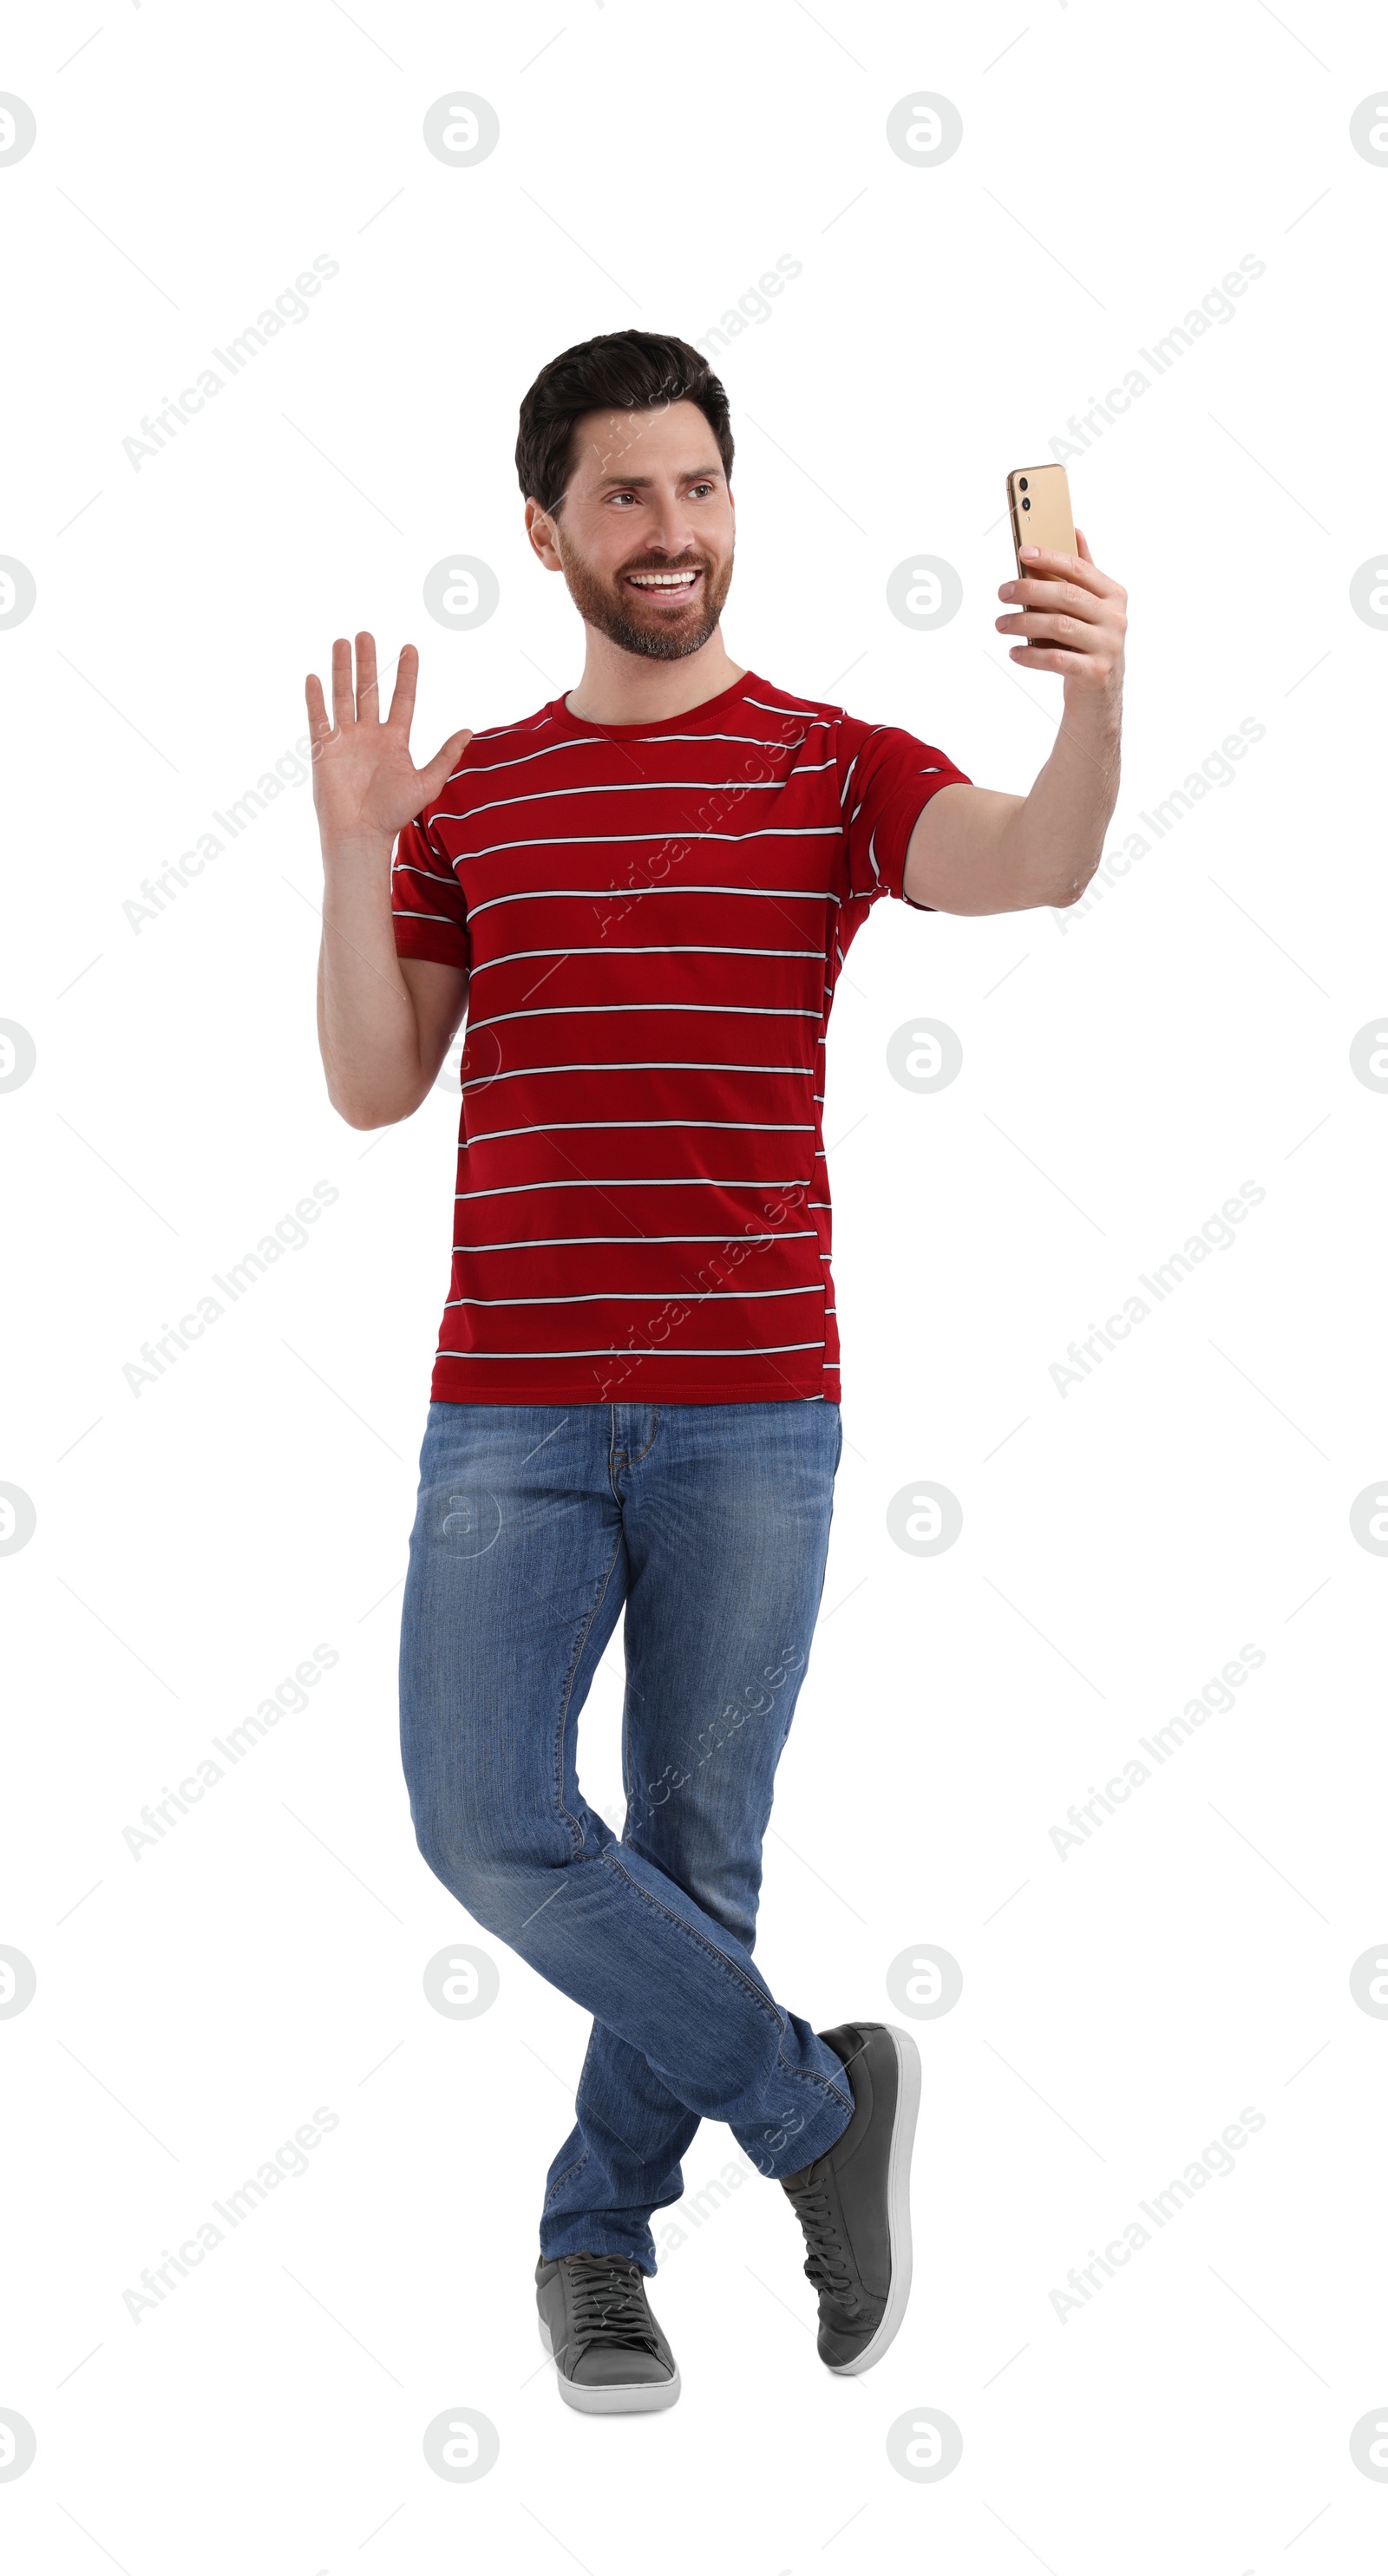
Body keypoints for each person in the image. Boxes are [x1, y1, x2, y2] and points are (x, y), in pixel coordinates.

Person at [308, 330, 1127, 2415]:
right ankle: (811, 2111)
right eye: (622, 497)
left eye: (696, 489)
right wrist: (347, 850)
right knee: (487, 1821)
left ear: (732, 506)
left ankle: (594, 2244)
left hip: (755, 1407)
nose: (667, 532)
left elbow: (1030, 859)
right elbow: (376, 1086)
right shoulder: (472, 792)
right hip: (506, 1401)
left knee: (692, 1855)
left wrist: (1094, 699)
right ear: (544, 530)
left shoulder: (827, 764)